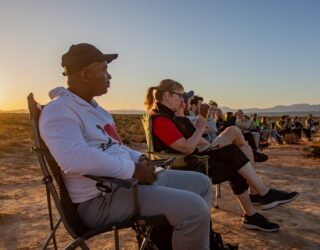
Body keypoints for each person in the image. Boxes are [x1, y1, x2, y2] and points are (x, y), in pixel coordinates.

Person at [39, 43, 214, 250]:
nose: (109, 76)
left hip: (125, 183)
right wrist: (132, 169)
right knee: (194, 209)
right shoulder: (59, 110)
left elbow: (116, 147)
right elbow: (74, 158)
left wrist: (139, 158)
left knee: (202, 183)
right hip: (101, 198)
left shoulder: (97, 110)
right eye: (104, 70)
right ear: (84, 74)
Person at [145, 79, 299, 232]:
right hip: (189, 166)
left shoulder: (164, 115)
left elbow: (188, 140)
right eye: (179, 96)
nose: (182, 100)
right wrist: (200, 126)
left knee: (236, 154)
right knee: (235, 156)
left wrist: (181, 115)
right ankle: (259, 201)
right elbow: (186, 147)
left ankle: (257, 203)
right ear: (167, 95)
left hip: (190, 160)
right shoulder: (160, 119)